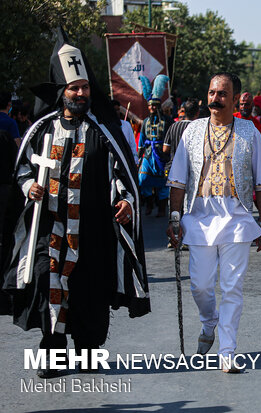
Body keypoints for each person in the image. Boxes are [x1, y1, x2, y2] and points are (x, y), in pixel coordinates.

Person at [0, 29, 149, 378]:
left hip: (93, 230)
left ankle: (86, 352)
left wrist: (126, 201)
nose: (80, 93)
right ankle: (52, 353)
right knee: (46, 284)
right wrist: (29, 187)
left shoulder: (103, 131)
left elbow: (121, 176)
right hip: (48, 229)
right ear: (62, 91)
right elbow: (23, 169)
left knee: (89, 292)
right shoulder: (41, 130)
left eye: (84, 87)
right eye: (73, 88)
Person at [166, 73, 261, 373]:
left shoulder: (249, 132)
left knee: (232, 287)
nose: (215, 98)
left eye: (222, 93)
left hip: (236, 217)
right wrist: (175, 219)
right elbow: (176, 179)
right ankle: (208, 321)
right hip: (198, 216)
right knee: (200, 286)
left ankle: (227, 351)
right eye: (212, 92)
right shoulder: (191, 131)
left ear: (235, 98)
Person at [138, 75, 173, 217]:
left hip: (162, 155)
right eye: (150, 105)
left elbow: (172, 137)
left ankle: (162, 208)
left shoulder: (167, 121)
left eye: (154, 105)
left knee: (163, 182)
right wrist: (138, 156)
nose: (152, 107)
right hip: (148, 154)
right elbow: (142, 139)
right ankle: (149, 203)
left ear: (158, 106)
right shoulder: (146, 121)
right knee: (143, 179)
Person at [163, 98, 200, 170]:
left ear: (184, 111)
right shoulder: (198, 128)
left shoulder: (173, 126)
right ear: (197, 113)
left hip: (173, 168)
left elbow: (165, 149)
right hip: (191, 169)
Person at [111, 99, 139, 165]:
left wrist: (135, 159)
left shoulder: (126, 125)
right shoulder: (106, 126)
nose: (117, 112)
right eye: (114, 110)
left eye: (118, 110)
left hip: (127, 160)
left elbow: (132, 144)